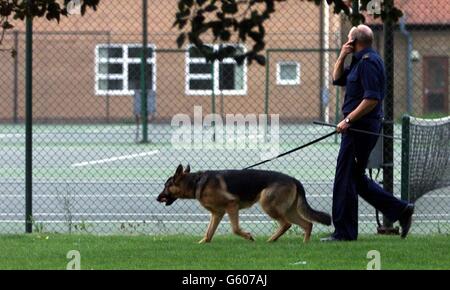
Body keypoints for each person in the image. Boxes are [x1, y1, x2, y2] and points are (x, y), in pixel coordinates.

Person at [321, 25, 414, 242]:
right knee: (356, 178)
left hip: (359, 130)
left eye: (347, 41)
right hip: (355, 128)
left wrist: (348, 120)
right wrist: (342, 55)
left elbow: (372, 99)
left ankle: (344, 233)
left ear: (354, 41)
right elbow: (337, 79)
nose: (346, 43)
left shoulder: (369, 62)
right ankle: (401, 210)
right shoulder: (357, 60)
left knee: (345, 178)